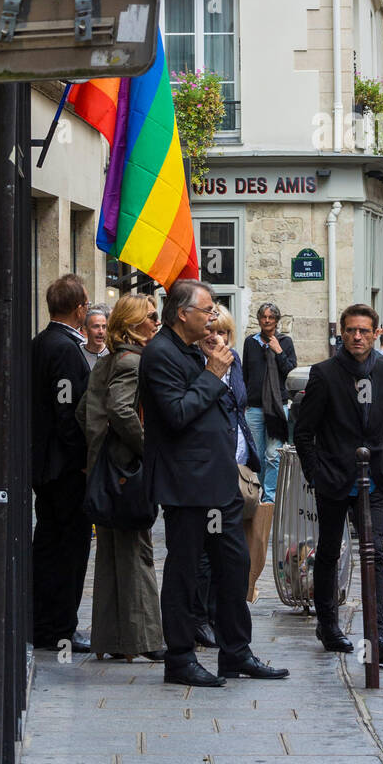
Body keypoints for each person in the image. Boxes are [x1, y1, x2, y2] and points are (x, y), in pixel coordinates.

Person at [140, 280, 288, 687]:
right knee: (185, 571)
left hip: (219, 481)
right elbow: (176, 414)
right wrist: (212, 373)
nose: (212, 317)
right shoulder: (160, 354)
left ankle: (236, 652)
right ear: (182, 314)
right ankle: (181, 658)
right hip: (187, 486)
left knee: (234, 566)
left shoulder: (195, 349)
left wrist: (217, 369)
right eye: (206, 310)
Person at [294, 304, 383, 661]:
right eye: (351, 330)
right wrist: (315, 472)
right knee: (328, 551)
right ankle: (329, 624)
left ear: (376, 333)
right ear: (343, 333)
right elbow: (304, 432)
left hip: (373, 478)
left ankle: (378, 632)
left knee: (375, 554)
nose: (357, 336)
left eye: (364, 331)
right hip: (334, 476)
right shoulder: (325, 373)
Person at [76, 294, 165, 662]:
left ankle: (111, 640)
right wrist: (147, 450)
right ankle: (145, 641)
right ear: (132, 326)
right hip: (125, 473)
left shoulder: (110, 359)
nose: (157, 322)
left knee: (113, 555)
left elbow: (85, 412)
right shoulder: (131, 361)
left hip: (106, 471)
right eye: (151, 317)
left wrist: (98, 452)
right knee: (136, 553)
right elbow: (121, 409)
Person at [192, 305, 265, 645]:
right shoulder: (196, 364)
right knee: (208, 548)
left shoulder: (233, 360)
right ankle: (201, 617)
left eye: (223, 331)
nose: (217, 337)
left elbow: (240, 408)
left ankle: (224, 619)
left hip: (237, 466)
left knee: (231, 548)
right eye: (211, 331)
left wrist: (250, 457)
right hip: (209, 470)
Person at [31, 274, 93, 652]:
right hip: (64, 468)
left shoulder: (41, 342)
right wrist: (80, 459)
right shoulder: (64, 349)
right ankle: (61, 627)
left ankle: (45, 621)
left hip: (47, 465)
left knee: (50, 543)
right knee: (68, 548)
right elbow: (67, 409)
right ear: (80, 308)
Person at [241, 302, 297, 503]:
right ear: (259, 320)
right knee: (257, 454)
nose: (267, 321)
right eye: (263, 317)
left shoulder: (285, 342)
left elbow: (290, 372)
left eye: (271, 317)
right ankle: (261, 491)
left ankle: (270, 498)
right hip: (254, 407)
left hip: (277, 405)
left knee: (273, 455)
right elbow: (245, 372)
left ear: (276, 320)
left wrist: (279, 351)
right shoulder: (250, 342)